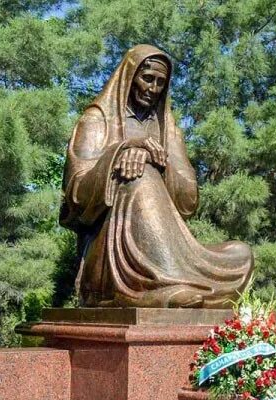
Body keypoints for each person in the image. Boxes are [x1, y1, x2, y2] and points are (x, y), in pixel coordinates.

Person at [61, 45, 253, 307]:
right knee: (139, 175)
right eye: (147, 78)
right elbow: (77, 195)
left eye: (160, 82)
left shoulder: (168, 129)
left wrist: (158, 161)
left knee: (241, 255)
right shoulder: (96, 121)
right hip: (109, 255)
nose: (152, 88)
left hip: (172, 245)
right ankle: (167, 287)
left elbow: (188, 201)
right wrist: (122, 153)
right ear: (129, 77)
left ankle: (176, 284)